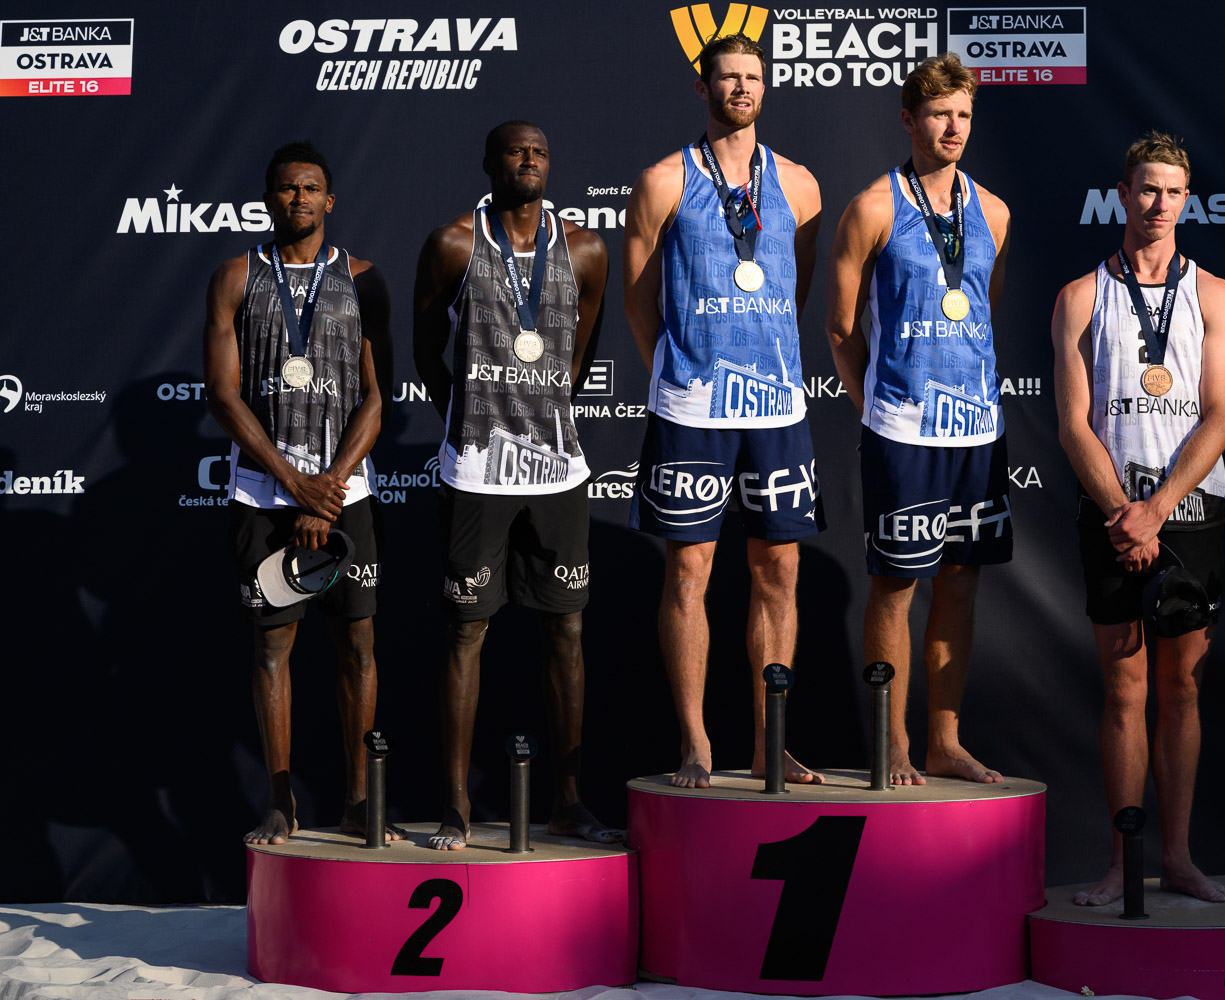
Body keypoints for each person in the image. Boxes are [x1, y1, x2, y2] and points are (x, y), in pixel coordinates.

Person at [621, 34, 824, 788]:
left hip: (777, 406)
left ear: (765, 88)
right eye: (727, 77)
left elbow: (795, 289)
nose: (740, 88)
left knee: (780, 571)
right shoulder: (663, 180)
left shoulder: (799, 184)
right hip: (693, 406)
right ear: (701, 88)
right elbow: (639, 298)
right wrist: (679, 369)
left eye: (752, 77)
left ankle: (772, 739)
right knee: (689, 572)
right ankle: (697, 743)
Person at [413, 121, 618, 849]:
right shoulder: (453, 244)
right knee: (466, 631)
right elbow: (424, 351)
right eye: (515, 150)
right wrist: (471, 419)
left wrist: (541, 418)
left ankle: (568, 802)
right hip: (478, 473)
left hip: (558, 471)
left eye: (540, 151)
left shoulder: (586, 248)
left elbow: (581, 353)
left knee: (567, 630)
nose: (529, 159)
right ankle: (456, 805)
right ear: (489, 161)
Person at [1050, 132, 1225, 904]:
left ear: (1187, 200)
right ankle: (1123, 861)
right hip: (1110, 518)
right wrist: (1122, 516)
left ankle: (1180, 859)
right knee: (1124, 691)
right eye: (1147, 190)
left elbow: (1222, 417)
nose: (1159, 204)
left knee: (1182, 692)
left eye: (1173, 192)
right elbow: (1073, 424)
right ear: (1122, 195)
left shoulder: (1216, 295)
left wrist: (1154, 512)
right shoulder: (1080, 295)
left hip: (1189, 514)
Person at [825, 53, 1013, 785]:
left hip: (978, 430)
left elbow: (984, 311)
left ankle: (943, 740)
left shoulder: (994, 210)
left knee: (960, 583)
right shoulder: (873, 207)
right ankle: (893, 743)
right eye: (939, 114)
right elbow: (842, 328)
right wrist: (876, 409)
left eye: (963, 115)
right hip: (903, 432)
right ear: (909, 119)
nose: (953, 127)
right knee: (896, 586)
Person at [204, 141, 397, 845]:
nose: (299, 199)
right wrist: (296, 486)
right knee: (271, 649)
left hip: (347, 494)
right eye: (287, 188)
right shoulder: (234, 276)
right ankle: (280, 801)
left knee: (358, 647)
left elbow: (377, 397)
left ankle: (358, 801)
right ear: (268, 199)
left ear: (330, 200)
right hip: (264, 496)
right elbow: (222, 395)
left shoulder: (364, 279)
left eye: (311, 188)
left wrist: (330, 488)